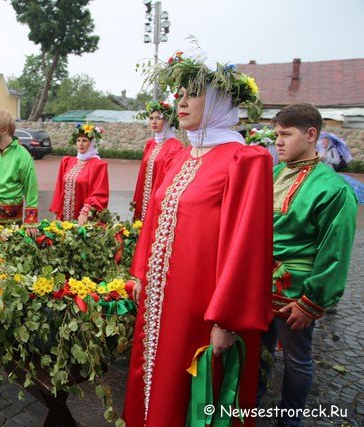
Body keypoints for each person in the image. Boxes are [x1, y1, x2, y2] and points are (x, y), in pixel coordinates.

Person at [123, 49, 273, 426]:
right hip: (161, 298)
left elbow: (248, 246)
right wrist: (140, 271)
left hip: (202, 305)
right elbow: (155, 218)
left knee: (190, 386)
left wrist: (228, 319)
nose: (182, 102)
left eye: (193, 94)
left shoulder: (244, 161)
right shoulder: (179, 158)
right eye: (180, 94)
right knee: (154, 372)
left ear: (220, 100)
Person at [257, 104, 357, 427]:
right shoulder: (276, 173)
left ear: (311, 134)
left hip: (296, 294)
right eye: (276, 135)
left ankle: (290, 421)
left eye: (286, 134)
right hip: (261, 286)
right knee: (260, 353)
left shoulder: (334, 189)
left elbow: (334, 252)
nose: (278, 143)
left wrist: (312, 301)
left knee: (298, 361)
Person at [131, 101, 184, 221]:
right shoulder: (151, 144)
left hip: (159, 198)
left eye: (159, 118)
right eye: (151, 118)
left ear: (167, 121)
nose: (154, 122)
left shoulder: (175, 146)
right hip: (145, 197)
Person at [49, 122, 109, 224]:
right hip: (64, 219)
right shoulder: (67, 162)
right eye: (78, 140)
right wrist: (57, 212)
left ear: (92, 143)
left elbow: (99, 194)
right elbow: (59, 189)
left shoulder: (97, 165)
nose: (80, 144)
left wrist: (85, 212)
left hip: (85, 220)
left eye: (84, 141)